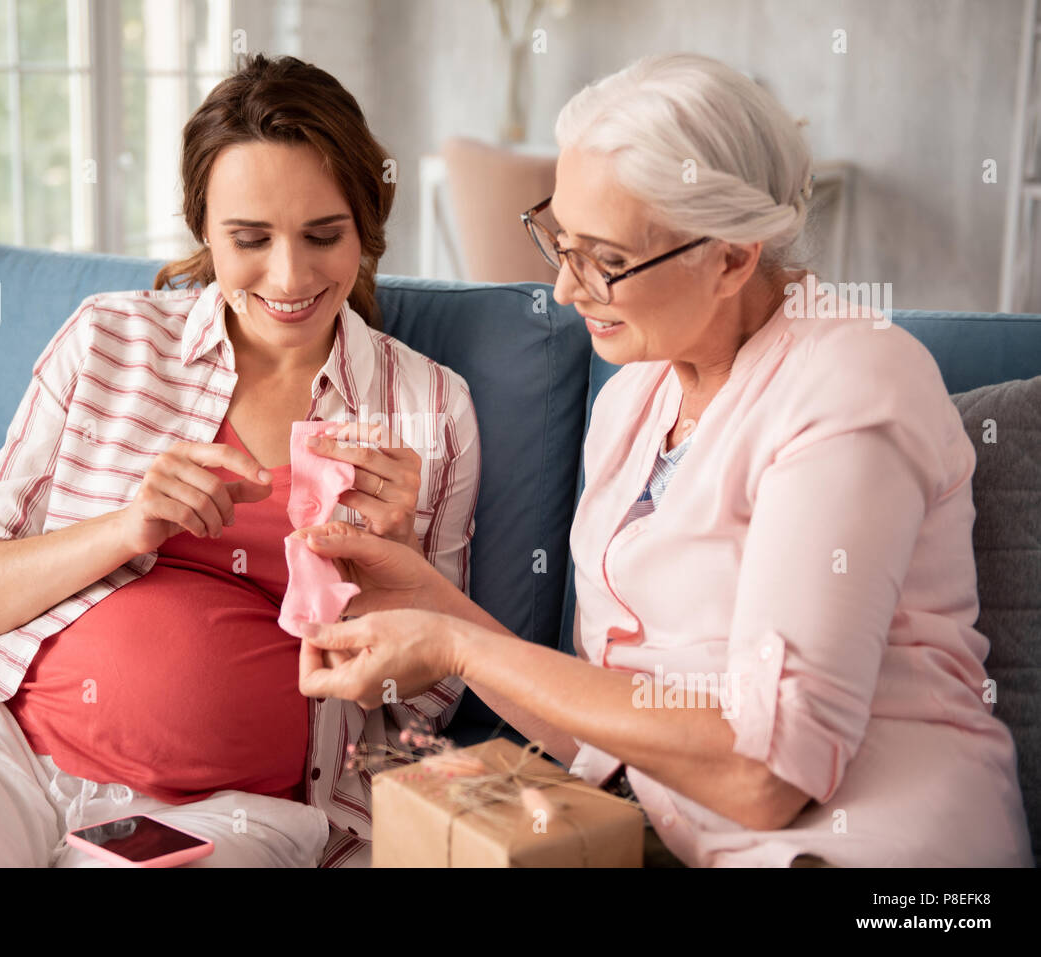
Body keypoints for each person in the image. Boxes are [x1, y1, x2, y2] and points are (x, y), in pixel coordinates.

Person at [291, 52, 1033, 867]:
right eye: (560, 241)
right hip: (678, 839)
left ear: (732, 256)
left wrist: (457, 646)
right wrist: (423, 597)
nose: (567, 291)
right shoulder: (634, 397)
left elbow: (765, 775)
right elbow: (607, 727)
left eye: (606, 260)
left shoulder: (853, 381)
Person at [0, 55, 480, 869]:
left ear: (366, 226)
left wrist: (388, 575)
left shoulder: (429, 408)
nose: (290, 276)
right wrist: (127, 526)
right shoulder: (108, 339)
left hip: (230, 814)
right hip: (0, 750)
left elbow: (419, 704)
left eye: (323, 235)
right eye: (249, 239)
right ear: (203, 231)